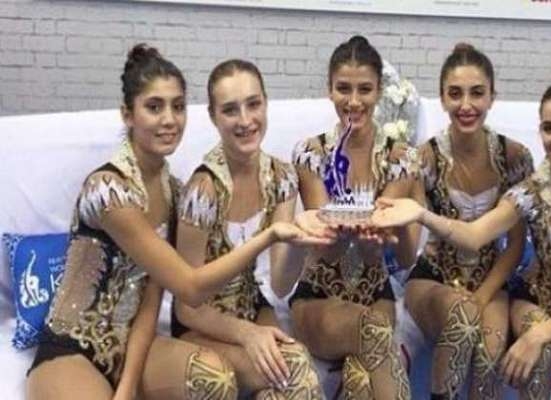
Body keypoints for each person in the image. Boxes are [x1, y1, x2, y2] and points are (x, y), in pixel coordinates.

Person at [26, 44, 326, 400]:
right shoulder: (107, 191)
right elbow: (189, 288)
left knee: (229, 377)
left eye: (178, 106)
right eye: (154, 107)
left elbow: (151, 299)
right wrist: (270, 236)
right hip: (75, 347)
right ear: (127, 114)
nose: (169, 119)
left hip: (139, 346)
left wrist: (127, 385)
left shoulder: (174, 192)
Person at [372, 79, 551, 400]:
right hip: (535, 299)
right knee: (536, 355)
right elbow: (475, 235)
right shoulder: (530, 192)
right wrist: (421, 214)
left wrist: (537, 336)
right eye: (550, 128)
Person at [173, 59, 323, 399]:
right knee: (294, 373)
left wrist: (301, 241)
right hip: (203, 320)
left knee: (284, 381)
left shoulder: (281, 177)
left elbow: (281, 284)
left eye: (253, 104)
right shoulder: (203, 191)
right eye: (230, 110)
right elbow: (186, 305)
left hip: (253, 306)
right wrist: (246, 334)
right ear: (213, 117)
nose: (245, 120)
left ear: (266, 104)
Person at [290, 35, 418, 399]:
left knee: (362, 381)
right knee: (374, 331)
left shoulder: (401, 159)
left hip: (375, 293)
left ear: (379, 92)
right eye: (343, 89)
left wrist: (387, 235)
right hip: (319, 296)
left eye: (365, 89)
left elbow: (402, 255)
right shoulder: (312, 153)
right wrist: (356, 230)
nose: (354, 101)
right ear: (329, 90)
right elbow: (324, 241)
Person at [403, 42, 533, 399]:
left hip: (490, 278)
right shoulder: (424, 158)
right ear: (442, 99)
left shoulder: (514, 157)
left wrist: (482, 296)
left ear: (492, 97)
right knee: (462, 320)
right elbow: (410, 235)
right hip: (433, 278)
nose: (466, 105)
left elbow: (516, 244)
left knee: (490, 352)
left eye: (477, 93)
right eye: (455, 94)